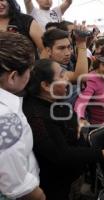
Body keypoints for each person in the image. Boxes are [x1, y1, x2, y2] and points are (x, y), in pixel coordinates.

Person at [23, 58, 104, 200]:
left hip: (73, 176)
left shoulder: (54, 99)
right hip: (57, 185)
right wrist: (103, 153)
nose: (67, 78)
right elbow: (62, 155)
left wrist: (77, 122)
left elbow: (69, 117)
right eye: (61, 75)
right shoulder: (38, 117)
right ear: (46, 85)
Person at [0, 32, 45, 200]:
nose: (30, 75)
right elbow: (18, 187)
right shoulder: (6, 121)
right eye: (29, 70)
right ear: (12, 77)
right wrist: (39, 196)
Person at [74, 45, 104, 125]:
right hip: (97, 129)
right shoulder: (91, 79)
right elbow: (81, 102)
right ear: (99, 64)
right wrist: (80, 118)